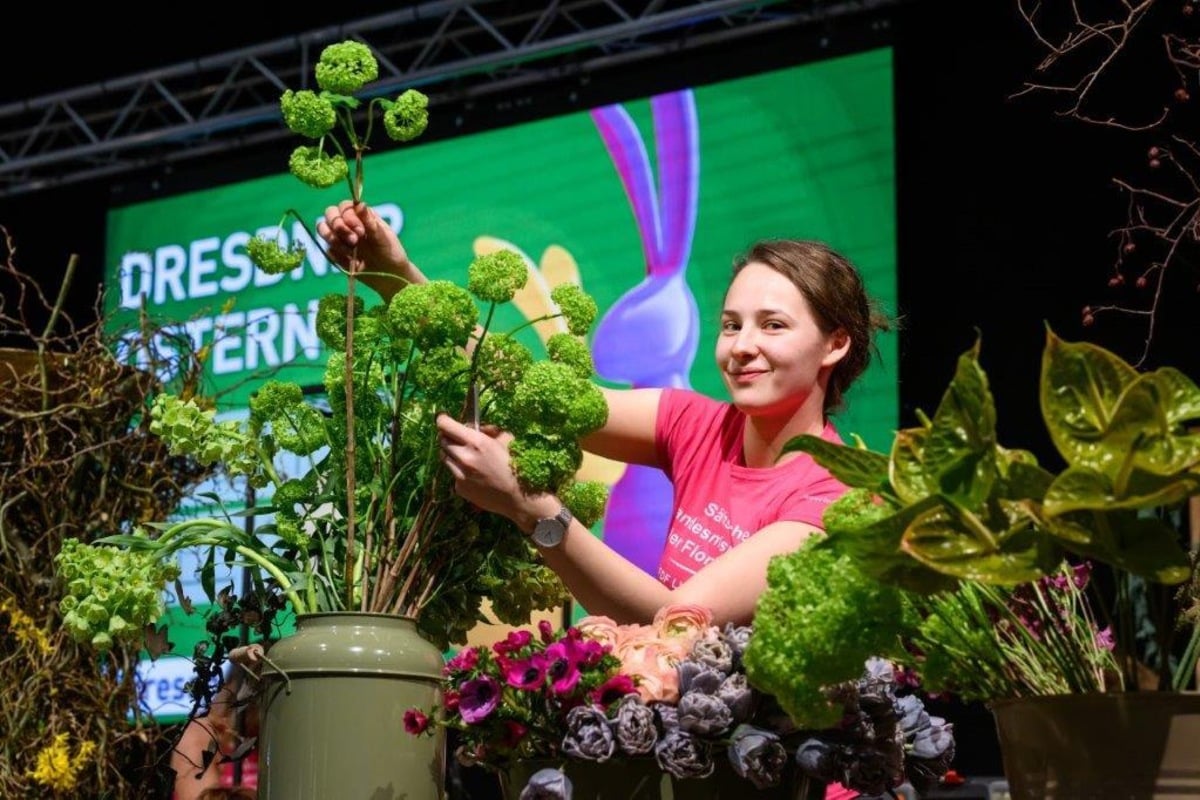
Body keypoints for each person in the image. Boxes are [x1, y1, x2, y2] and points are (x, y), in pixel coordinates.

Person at [319, 201, 889, 800]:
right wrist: (392, 272)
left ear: (835, 344)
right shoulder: (697, 423)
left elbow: (675, 622)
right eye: (730, 324)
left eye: (773, 325)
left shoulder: (835, 495)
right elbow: (522, 392)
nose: (743, 346)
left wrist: (529, 508)